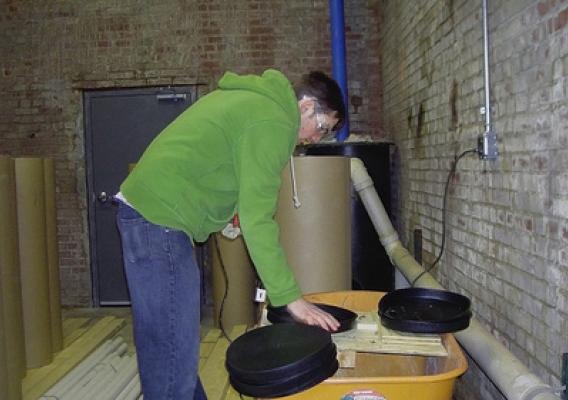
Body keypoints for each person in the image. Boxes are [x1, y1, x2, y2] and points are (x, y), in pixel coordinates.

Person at [115, 69, 346, 400]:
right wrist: (291, 298)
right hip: (159, 220)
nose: (315, 138)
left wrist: (225, 213)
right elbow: (259, 219)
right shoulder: (275, 120)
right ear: (306, 106)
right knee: (171, 356)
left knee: (171, 352)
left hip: (148, 213)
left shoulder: (254, 103)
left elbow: (220, 164)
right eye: (321, 128)